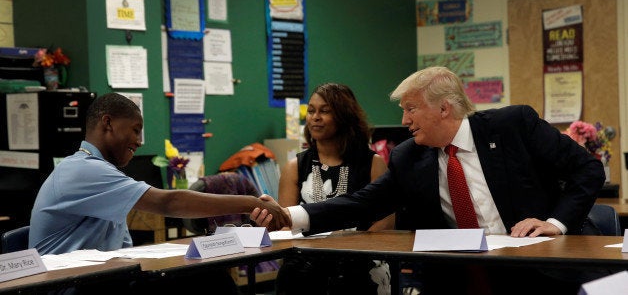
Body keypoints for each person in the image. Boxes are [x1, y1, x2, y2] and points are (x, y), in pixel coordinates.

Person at [254, 67, 605, 294]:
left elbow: (588, 170)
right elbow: (365, 202)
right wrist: (291, 216)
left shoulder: (513, 126)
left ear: (444, 109)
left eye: (411, 108)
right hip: (458, 277)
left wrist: (556, 223)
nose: (404, 120)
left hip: (536, 270)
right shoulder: (410, 156)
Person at [29, 92, 288, 293]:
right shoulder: (82, 169)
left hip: (97, 279)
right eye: (135, 129)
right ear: (107, 123)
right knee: (207, 280)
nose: (140, 141)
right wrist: (252, 203)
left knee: (205, 274)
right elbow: (170, 202)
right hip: (65, 286)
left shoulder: (98, 169)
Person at [275, 83, 391, 295]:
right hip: (305, 266)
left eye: (325, 111)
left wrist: (346, 245)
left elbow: (386, 223)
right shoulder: (295, 167)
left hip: (361, 265)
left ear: (344, 116)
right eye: (311, 111)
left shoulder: (373, 163)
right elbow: (285, 225)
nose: (315, 117)